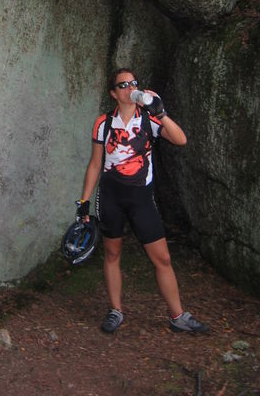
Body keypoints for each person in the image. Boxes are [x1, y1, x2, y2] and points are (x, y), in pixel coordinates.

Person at [78, 67, 208, 334]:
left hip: (141, 199)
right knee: (112, 253)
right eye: (123, 85)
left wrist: (161, 113)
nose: (130, 88)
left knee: (163, 258)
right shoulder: (104, 123)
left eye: (133, 83)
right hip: (111, 196)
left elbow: (181, 140)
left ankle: (177, 316)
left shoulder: (149, 119)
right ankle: (115, 310)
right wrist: (84, 202)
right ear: (114, 93)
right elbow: (95, 164)